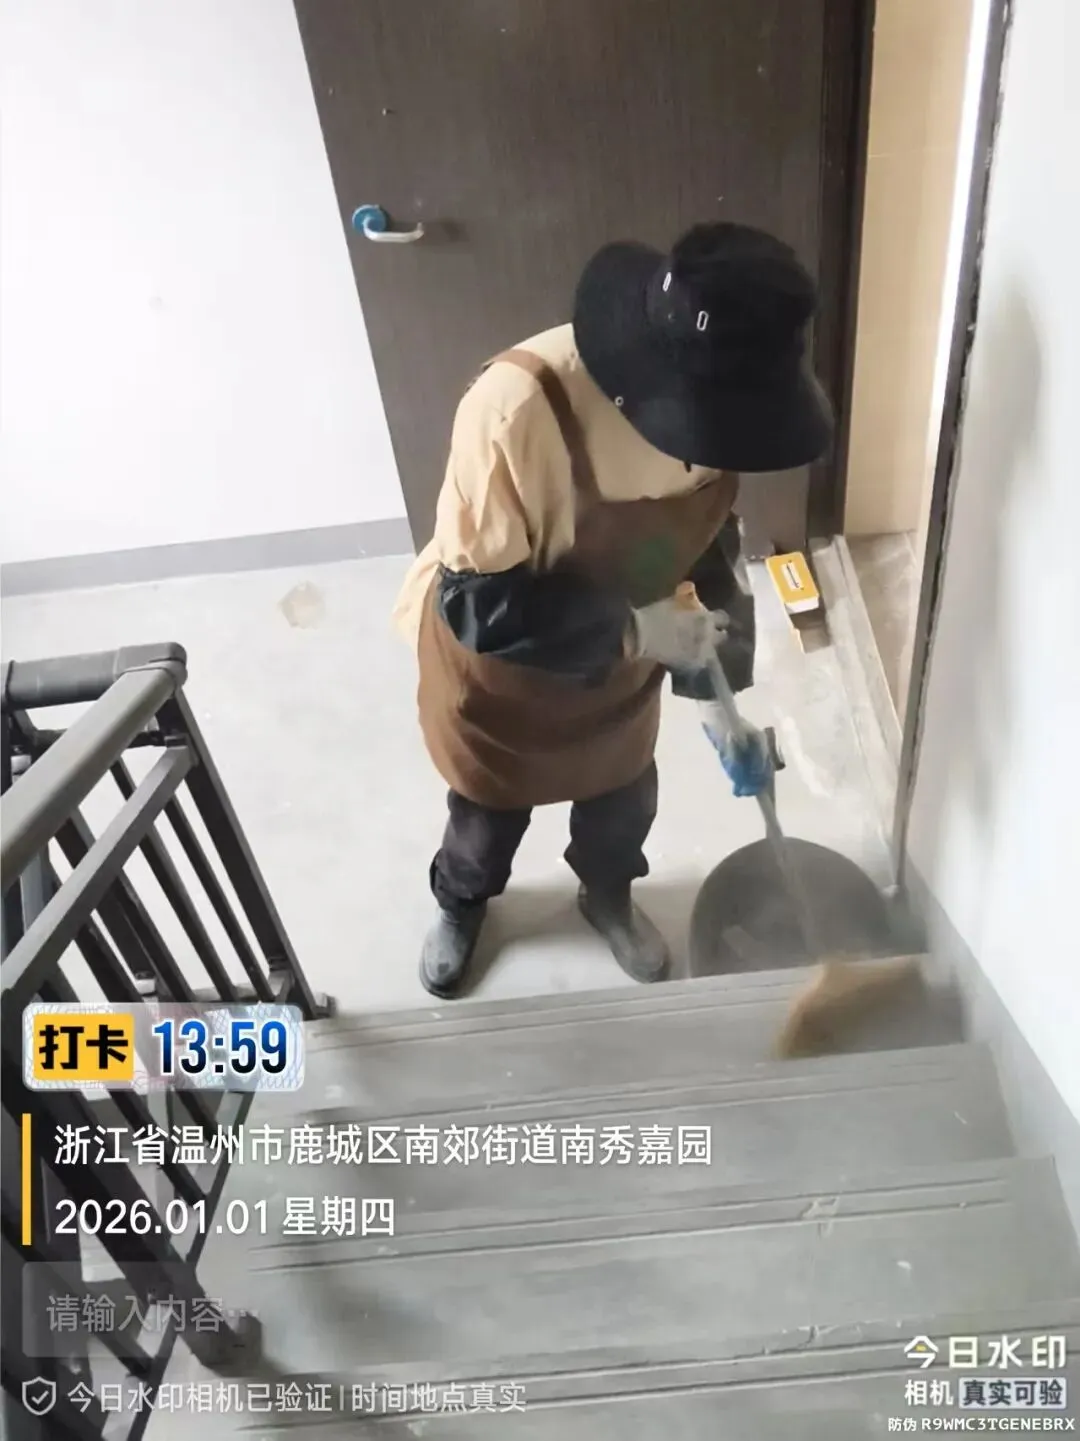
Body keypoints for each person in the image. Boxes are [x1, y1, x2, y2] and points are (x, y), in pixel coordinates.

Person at [393, 221, 834, 999]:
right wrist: (632, 628)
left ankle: (607, 894)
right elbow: (476, 603)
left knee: (623, 806)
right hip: (503, 677)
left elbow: (704, 547)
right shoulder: (517, 410)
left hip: (620, 678)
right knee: (485, 823)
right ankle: (462, 901)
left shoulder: (724, 416)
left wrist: (720, 696)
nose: (716, 449)